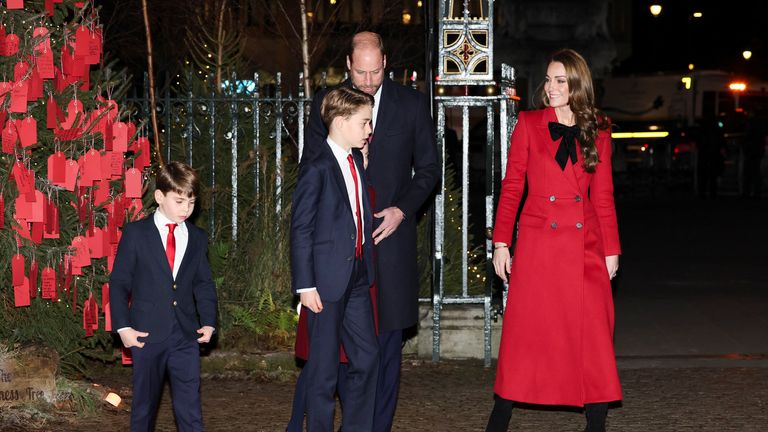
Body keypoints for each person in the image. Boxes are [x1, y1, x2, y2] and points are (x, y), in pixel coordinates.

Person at [302, 32, 439, 431]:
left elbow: (429, 169)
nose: (367, 80)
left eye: (375, 71)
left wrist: (402, 210)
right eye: (360, 72)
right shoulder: (327, 104)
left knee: (386, 348)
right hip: (341, 247)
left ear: (386, 62)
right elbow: (311, 164)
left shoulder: (411, 105)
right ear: (348, 64)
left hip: (391, 243)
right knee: (342, 351)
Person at [485, 49, 622, 432]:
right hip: (539, 246)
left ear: (577, 84)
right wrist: (501, 243)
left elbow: (604, 196)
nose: (551, 87)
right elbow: (512, 187)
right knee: (526, 335)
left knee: (593, 336)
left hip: (585, 248)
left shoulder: (600, 128)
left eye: (560, 80)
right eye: (548, 79)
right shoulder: (528, 124)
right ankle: (500, 417)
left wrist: (612, 249)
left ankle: (596, 423)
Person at [290, 86, 379, 431]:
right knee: (324, 372)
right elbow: (300, 229)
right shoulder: (317, 167)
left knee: (368, 358)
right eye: (364, 122)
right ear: (341, 122)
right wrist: (305, 285)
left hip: (356, 275)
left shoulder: (355, 159)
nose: (369, 129)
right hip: (324, 284)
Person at [110, 161, 218, 432]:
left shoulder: (197, 237)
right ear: (159, 197)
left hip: (185, 335)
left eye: (191, 202)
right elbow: (120, 283)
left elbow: (203, 283)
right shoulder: (136, 233)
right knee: (144, 408)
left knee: (190, 408)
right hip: (146, 335)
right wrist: (123, 328)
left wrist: (209, 321)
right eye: (179, 201)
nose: (186, 209)